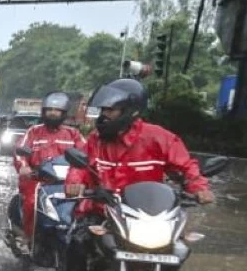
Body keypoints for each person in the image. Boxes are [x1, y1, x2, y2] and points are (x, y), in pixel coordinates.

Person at [65, 78, 215, 206]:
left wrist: (199, 188)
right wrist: (74, 183)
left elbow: (186, 166)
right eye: (103, 110)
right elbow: (79, 167)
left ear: (130, 110)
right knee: (78, 236)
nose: (104, 115)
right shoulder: (95, 139)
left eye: (111, 110)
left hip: (146, 214)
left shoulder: (159, 137)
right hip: (103, 211)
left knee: (179, 238)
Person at [12, 91, 85, 242]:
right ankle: (28, 239)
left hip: (66, 182)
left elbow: (86, 155)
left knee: (85, 205)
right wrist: (24, 166)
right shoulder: (34, 131)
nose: (53, 113)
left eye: (57, 110)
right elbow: (20, 150)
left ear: (63, 113)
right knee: (32, 202)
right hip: (38, 180)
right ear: (44, 112)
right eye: (49, 109)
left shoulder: (73, 134)